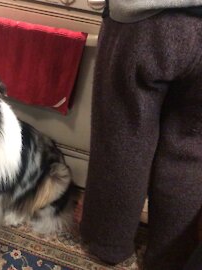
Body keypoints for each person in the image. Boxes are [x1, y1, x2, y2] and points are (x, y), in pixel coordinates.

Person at [80, 1, 202, 269]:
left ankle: (108, 244)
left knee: (122, 142)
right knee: (191, 152)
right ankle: (168, 259)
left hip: (145, 21)